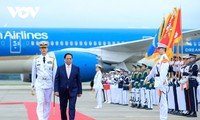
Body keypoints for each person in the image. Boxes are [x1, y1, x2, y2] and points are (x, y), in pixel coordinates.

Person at [31, 41, 57, 120]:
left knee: (47, 103)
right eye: (42, 48)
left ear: (47, 49)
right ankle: (40, 118)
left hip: (48, 83)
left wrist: (54, 86)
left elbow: (55, 73)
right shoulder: (36, 59)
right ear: (40, 49)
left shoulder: (52, 59)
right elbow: (34, 72)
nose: (43, 49)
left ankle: (45, 118)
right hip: (39, 83)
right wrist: (33, 84)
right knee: (40, 102)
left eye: (45, 48)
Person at [145, 42, 169, 120]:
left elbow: (163, 72)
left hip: (161, 82)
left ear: (163, 49)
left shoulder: (165, 59)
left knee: (163, 102)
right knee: (161, 102)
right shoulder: (160, 59)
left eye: (159, 49)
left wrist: (161, 84)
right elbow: (153, 70)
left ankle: (164, 118)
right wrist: (148, 77)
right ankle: (162, 117)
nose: (158, 50)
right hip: (158, 82)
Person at [54, 53, 82, 120]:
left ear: (72, 59)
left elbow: (78, 80)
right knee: (63, 108)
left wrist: (79, 91)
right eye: (67, 59)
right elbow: (56, 80)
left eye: (70, 59)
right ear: (64, 59)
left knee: (72, 107)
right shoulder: (60, 68)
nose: (69, 60)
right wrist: (56, 90)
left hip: (73, 91)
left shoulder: (76, 68)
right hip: (63, 91)